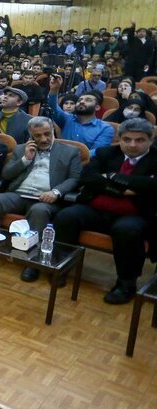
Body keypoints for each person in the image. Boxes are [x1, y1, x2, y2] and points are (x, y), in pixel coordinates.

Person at [53, 118, 157, 304]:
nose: (132, 144)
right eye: (127, 139)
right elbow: (87, 178)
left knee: (126, 230)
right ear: (119, 139)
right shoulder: (106, 153)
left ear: (150, 140)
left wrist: (110, 177)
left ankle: (126, 284)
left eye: (140, 140)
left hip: (135, 215)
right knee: (66, 216)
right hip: (95, 209)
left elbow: (153, 186)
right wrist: (127, 189)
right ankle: (62, 266)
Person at [0, 117, 82, 273]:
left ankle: (33, 262)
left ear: (53, 131)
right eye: (37, 135)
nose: (43, 139)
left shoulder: (70, 152)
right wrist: (26, 159)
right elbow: (6, 174)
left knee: (39, 210)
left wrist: (55, 192)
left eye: (47, 134)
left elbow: (75, 178)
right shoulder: (21, 149)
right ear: (31, 135)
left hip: (46, 199)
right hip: (19, 194)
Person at [46, 78, 114, 157]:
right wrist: (54, 89)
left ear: (97, 107)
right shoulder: (67, 119)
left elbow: (97, 152)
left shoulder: (105, 128)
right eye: (79, 100)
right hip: (60, 159)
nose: (82, 102)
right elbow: (53, 107)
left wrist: (72, 159)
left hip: (86, 163)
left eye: (88, 100)